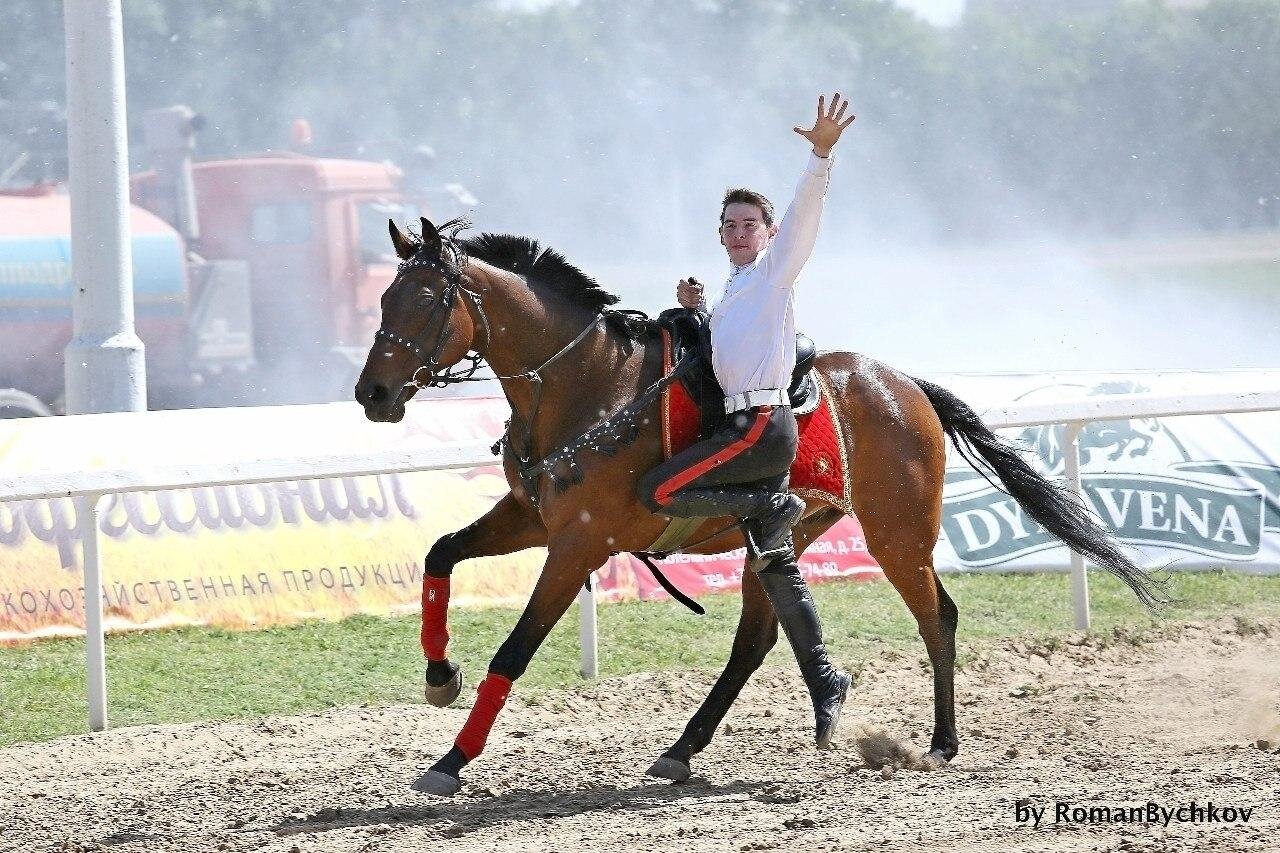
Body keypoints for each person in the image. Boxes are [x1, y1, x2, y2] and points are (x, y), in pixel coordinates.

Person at [636, 93, 856, 749]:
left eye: (749, 224)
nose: (738, 232)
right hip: (744, 424)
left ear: (768, 234)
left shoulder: (774, 272)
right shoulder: (736, 289)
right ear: (720, 233)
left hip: (761, 428)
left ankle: (772, 499)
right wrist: (699, 309)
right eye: (729, 224)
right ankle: (825, 677)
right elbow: (727, 351)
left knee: (656, 490)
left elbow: (804, 217)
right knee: (774, 565)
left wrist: (819, 155)